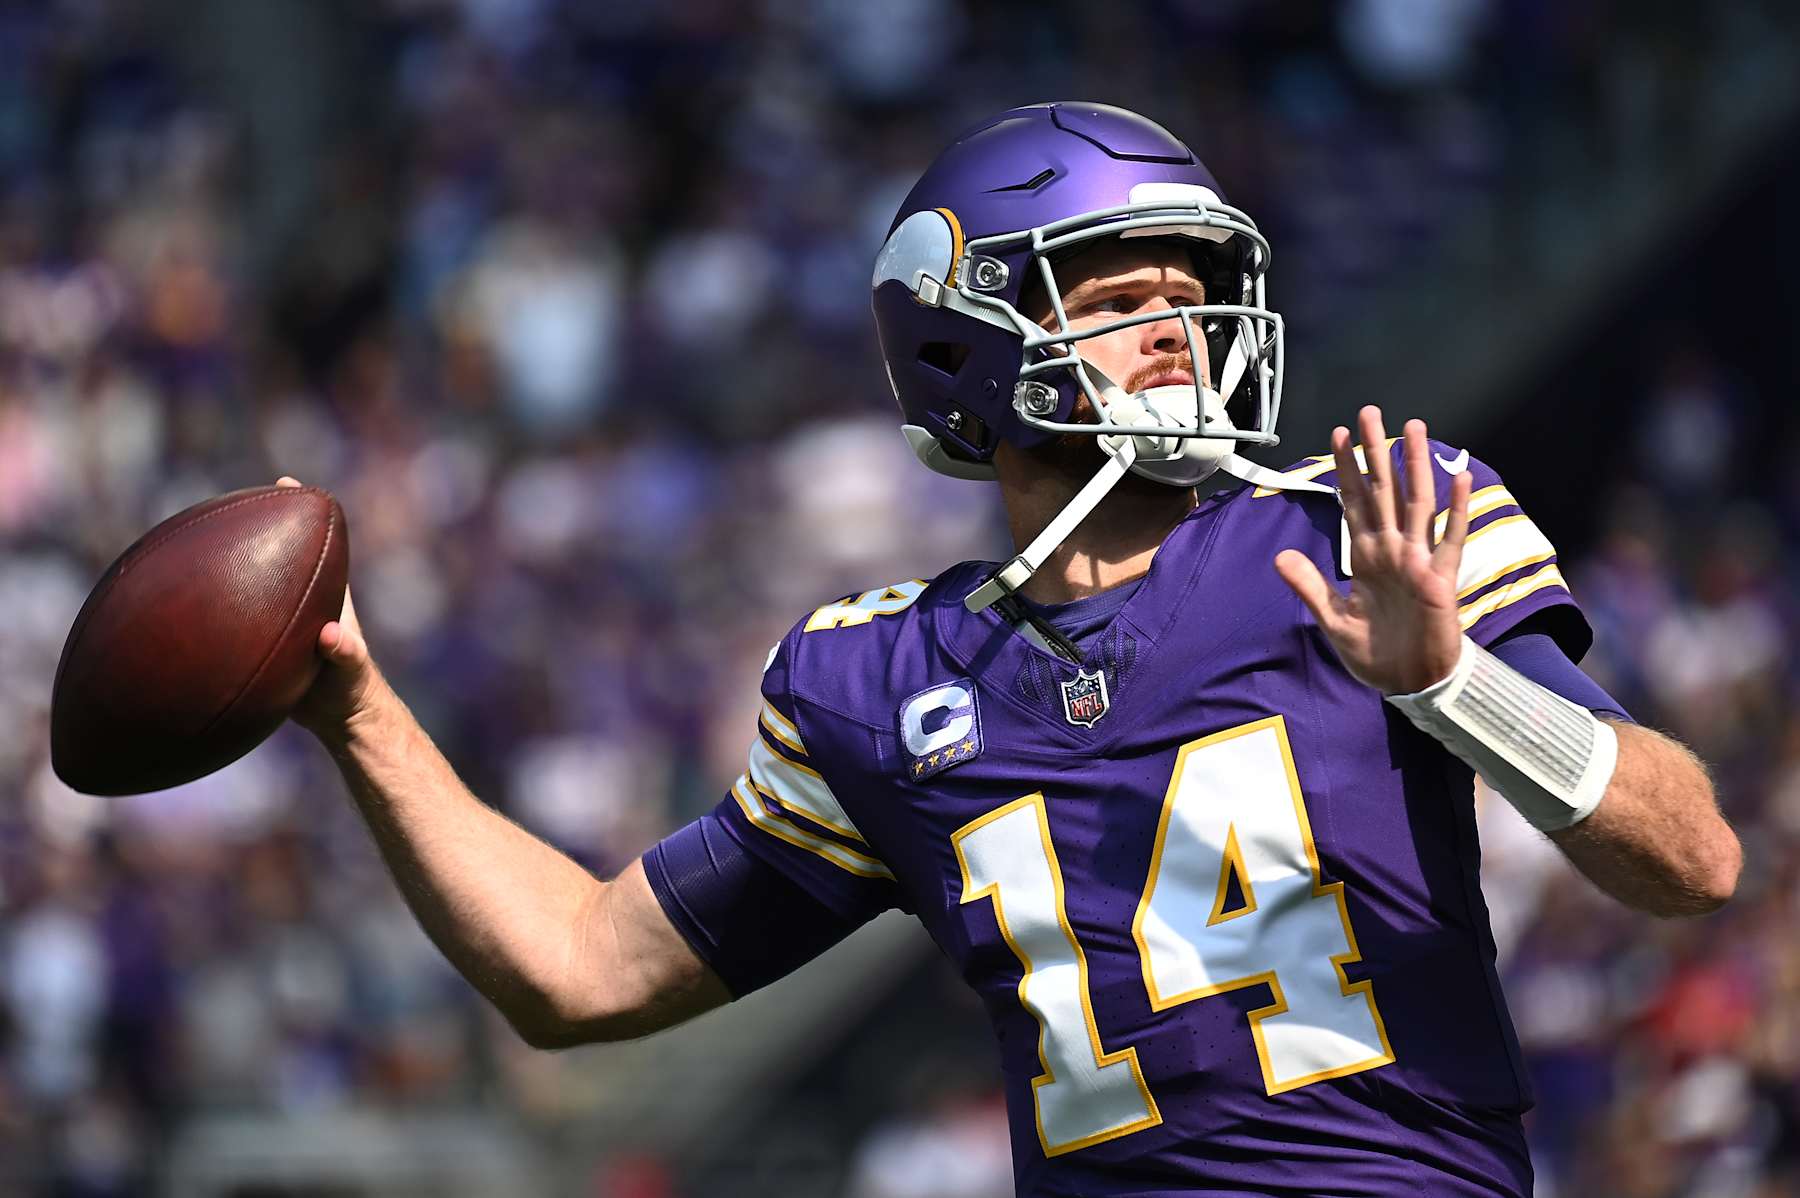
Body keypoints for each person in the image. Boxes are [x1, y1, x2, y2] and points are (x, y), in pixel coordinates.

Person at [284, 104, 1739, 1196]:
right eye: (1119, 304)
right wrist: (355, 706)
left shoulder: (1373, 533)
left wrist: (1452, 684)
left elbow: (1693, 860)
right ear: (966, 353)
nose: (1179, 331)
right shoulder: (884, 681)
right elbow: (580, 971)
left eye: (1192, 292)